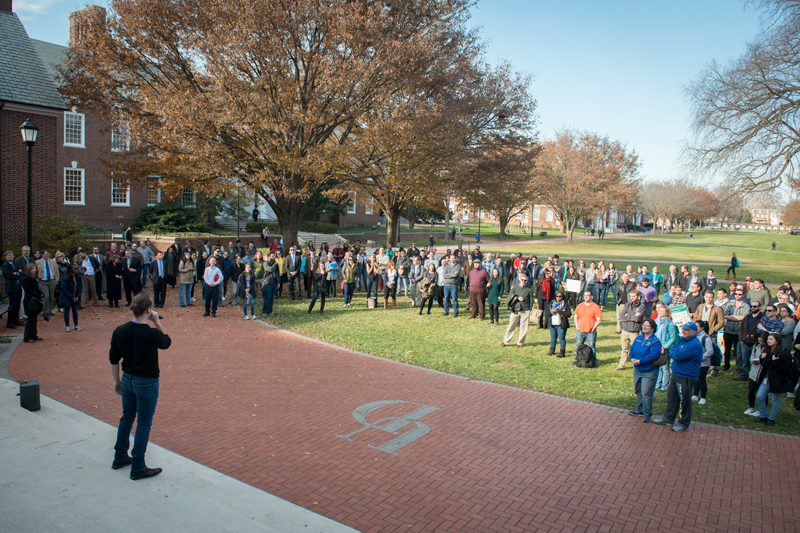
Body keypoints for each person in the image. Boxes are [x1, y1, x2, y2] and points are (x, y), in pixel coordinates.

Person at [110, 293, 171, 480]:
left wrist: (116, 380)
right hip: (147, 381)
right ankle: (137, 465)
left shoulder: (120, 330)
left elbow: (114, 358)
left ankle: (119, 455)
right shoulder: (151, 333)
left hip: (127, 378)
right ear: (148, 310)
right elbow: (166, 342)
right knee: (144, 422)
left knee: (127, 417)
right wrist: (157, 322)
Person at [654, 322, 704, 432]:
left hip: (686, 376)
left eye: (687, 330)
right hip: (677, 374)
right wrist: (674, 351)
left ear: (693, 332)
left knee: (684, 400)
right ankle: (668, 418)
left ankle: (683, 423)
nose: (683, 331)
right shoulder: (683, 340)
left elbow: (677, 355)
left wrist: (674, 351)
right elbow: (673, 348)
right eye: (683, 329)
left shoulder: (694, 344)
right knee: (672, 397)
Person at [627, 318, 662, 422]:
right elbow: (632, 349)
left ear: (652, 328)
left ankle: (647, 413)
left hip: (649, 371)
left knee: (646, 393)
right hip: (637, 369)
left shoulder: (655, 341)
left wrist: (641, 361)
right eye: (644, 325)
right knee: (638, 390)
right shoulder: (638, 338)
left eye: (647, 326)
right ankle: (639, 409)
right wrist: (632, 358)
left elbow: (654, 355)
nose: (644, 327)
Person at [756, 333, 794, 426]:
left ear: (777, 341)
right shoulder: (767, 351)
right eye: (768, 339)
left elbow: (786, 368)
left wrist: (776, 362)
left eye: (771, 339)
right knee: (760, 396)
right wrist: (762, 358)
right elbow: (764, 365)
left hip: (777, 380)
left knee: (775, 399)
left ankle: (771, 419)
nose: (768, 341)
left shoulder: (783, 353)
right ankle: (763, 416)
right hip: (767, 378)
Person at [502, 271, 533, 348]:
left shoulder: (529, 289)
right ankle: (506, 341)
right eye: (522, 280)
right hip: (515, 309)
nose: (524, 281)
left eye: (525, 280)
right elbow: (510, 296)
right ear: (519, 279)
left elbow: (531, 300)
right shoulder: (515, 287)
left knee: (523, 327)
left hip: (525, 310)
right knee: (511, 325)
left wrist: (530, 309)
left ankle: (520, 343)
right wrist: (517, 297)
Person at [735, 299, 763, 381]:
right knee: (745, 360)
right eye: (751, 306)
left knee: (756, 360)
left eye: (755, 306)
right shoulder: (747, 317)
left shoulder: (762, 318)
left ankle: (755, 376)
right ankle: (744, 375)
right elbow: (741, 328)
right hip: (745, 342)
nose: (753, 308)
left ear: (760, 307)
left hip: (756, 342)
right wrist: (741, 339)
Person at [654, 303, 679, 392]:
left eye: (662, 311)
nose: (659, 312)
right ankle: (657, 384)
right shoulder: (657, 321)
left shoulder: (669, 323)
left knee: (665, 367)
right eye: (659, 310)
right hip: (657, 346)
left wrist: (665, 346)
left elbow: (673, 337)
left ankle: (664, 386)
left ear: (667, 313)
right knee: (659, 366)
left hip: (665, 347)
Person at [617, 290, 645, 371]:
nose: (632, 298)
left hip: (634, 331)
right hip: (625, 330)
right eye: (631, 296)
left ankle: (637, 366)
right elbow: (622, 316)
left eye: (634, 296)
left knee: (636, 350)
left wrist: (628, 316)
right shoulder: (627, 305)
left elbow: (638, 319)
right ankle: (621, 365)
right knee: (624, 349)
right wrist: (632, 316)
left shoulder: (641, 306)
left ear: (638, 296)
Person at [574, 291, 602, 367]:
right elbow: (576, 316)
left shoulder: (596, 307)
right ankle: (578, 359)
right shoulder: (580, 306)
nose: (586, 297)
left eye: (588, 295)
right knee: (578, 345)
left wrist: (593, 328)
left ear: (591, 296)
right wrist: (577, 326)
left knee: (592, 347)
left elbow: (599, 319)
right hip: (580, 330)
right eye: (585, 295)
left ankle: (593, 361)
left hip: (591, 331)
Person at [744, 332, 769, 417]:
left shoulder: (768, 349)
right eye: (759, 341)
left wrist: (761, 360)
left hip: (763, 373)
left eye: (763, 341)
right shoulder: (756, 346)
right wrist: (754, 360)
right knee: (751, 391)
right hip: (754, 373)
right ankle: (751, 407)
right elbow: (752, 357)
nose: (761, 343)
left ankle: (761, 409)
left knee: (762, 394)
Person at [691, 320, 714, 405]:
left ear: (702, 328)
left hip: (703, 363)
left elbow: (710, 351)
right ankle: (695, 394)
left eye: (697, 326)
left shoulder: (706, 338)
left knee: (701, 379)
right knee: (695, 379)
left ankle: (703, 397)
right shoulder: (694, 336)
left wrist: (700, 358)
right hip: (695, 362)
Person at [21, 263, 44, 342]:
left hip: (34, 300)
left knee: (34, 318)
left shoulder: (33, 279)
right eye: (33, 269)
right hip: (29, 301)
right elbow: (29, 291)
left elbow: (36, 288)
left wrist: (40, 293)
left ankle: (33, 334)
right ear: (29, 270)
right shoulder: (25, 279)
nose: (35, 270)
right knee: (30, 319)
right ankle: (28, 336)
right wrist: (37, 294)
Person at [545, 291, 571, 357]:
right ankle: (552, 350)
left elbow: (568, 314)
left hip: (561, 324)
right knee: (553, 338)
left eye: (560, 296)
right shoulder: (551, 304)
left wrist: (560, 312)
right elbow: (547, 313)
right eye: (557, 296)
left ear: (562, 297)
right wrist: (552, 312)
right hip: (553, 324)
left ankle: (562, 352)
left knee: (561, 338)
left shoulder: (565, 305)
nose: (558, 298)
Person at [59, 263, 83, 332]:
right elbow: (63, 288)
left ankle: (76, 325)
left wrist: (78, 296)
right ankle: (67, 326)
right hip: (67, 297)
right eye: (75, 269)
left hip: (75, 297)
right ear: (71, 269)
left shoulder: (78, 277)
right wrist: (71, 297)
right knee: (67, 311)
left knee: (75, 311)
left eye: (77, 269)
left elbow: (80, 287)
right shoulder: (66, 277)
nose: (76, 270)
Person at [3, 251, 24, 329]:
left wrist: (17, 273)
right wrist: (16, 274)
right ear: (6, 257)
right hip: (12, 288)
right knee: (12, 305)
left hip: (18, 287)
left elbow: (21, 273)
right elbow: (10, 275)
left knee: (17, 304)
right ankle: (10, 322)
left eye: (12, 255)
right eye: (9, 255)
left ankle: (16, 320)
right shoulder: (5, 266)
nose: (11, 256)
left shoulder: (15, 264)